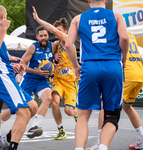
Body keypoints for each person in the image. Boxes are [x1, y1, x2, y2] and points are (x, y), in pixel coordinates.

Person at [65, 0, 129, 150]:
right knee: (111, 116)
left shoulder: (78, 19)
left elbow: (68, 44)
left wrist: (76, 66)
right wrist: (124, 60)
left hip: (90, 66)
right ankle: (102, 147)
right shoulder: (117, 16)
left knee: (82, 116)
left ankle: (79, 148)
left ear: (89, 1)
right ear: (106, 0)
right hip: (112, 65)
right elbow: (124, 38)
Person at [0, 4, 34, 150]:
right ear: (2, 17)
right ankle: (11, 146)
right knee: (24, 113)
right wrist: (4, 28)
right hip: (1, 77)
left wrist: (11, 64)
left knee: (33, 106)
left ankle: (9, 138)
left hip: (3, 74)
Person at [86, 32, 143, 150]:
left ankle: (99, 142)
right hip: (139, 73)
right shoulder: (131, 34)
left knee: (104, 105)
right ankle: (142, 138)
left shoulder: (115, 34)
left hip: (127, 74)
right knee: (127, 107)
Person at [32, 6, 78, 140]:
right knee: (54, 102)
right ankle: (61, 130)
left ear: (65, 32)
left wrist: (38, 19)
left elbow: (51, 30)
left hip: (70, 82)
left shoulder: (68, 41)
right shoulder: (55, 46)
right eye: (55, 30)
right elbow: (47, 61)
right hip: (58, 80)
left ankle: (76, 115)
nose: (55, 33)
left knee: (69, 111)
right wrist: (53, 60)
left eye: (58, 31)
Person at [19, 25, 56, 139]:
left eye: (45, 35)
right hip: (29, 79)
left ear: (48, 36)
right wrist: (36, 71)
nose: (44, 38)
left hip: (42, 81)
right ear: (37, 37)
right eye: (41, 36)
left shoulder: (53, 46)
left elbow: (56, 58)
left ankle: (34, 126)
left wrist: (55, 60)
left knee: (48, 98)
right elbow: (22, 64)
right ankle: (0, 122)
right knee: (17, 106)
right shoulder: (32, 47)